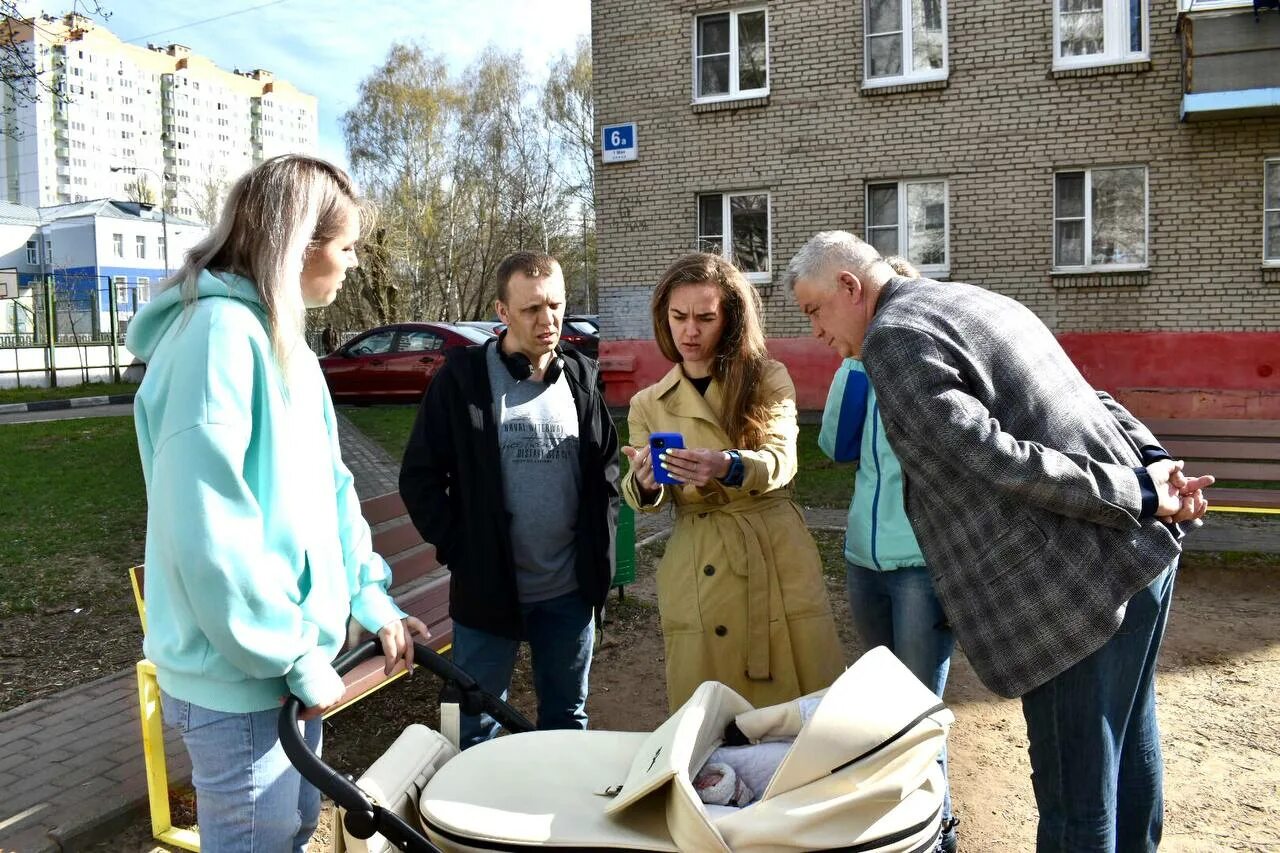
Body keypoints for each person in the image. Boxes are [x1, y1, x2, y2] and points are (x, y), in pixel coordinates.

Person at [787, 231, 1214, 853]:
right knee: (1128, 746)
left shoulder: (893, 338)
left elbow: (993, 460)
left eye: (813, 312)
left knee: (1077, 799)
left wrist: (1141, 489)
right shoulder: (975, 300)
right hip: (1132, 556)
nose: (815, 333)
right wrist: (1153, 464)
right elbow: (1089, 397)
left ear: (850, 287)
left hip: (1072, 592)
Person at [127, 154, 427, 853]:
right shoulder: (215, 341)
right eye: (346, 247)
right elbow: (211, 534)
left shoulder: (282, 341)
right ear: (297, 243)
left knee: (290, 833)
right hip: (239, 678)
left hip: (285, 668)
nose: (353, 264)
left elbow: (334, 489)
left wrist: (371, 598)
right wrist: (290, 651)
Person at [399, 250, 619, 749]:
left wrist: (597, 550)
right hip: (489, 589)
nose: (549, 321)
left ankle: (556, 817)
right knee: (473, 723)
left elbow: (606, 468)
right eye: (532, 309)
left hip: (568, 591)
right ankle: (474, 824)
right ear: (502, 312)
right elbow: (420, 477)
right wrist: (463, 549)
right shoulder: (462, 379)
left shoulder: (581, 376)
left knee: (567, 717)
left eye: (557, 306)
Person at [622, 252, 844, 712]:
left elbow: (783, 460)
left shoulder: (766, 378)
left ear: (731, 320)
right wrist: (644, 482)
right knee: (710, 719)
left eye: (706, 318)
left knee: (796, 716)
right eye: (679, 317)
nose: (690, 331)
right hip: (697, 558)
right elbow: (647, 494)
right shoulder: (647, 402)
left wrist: (725, 464)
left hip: (772, 551)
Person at [818, 254, 958, 853]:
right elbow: (835, 447)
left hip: (921, 564)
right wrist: (854, 368)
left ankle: (938, 830)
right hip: (863, 557)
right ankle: (893, 830)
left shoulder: (929, 365)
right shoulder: (861, 366)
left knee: (917, 708)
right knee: (879, 707)